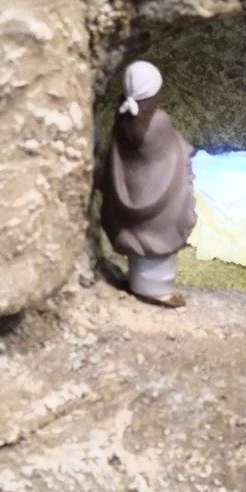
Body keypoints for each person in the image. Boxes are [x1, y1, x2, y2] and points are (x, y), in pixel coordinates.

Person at [98, 61, 197, 308]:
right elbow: (173, 149)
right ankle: (157, 291)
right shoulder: (158, 122)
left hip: (132, 188)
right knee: (159, 244)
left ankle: (140, 286)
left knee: (140, 247)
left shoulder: (123, 117)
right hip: (159, 196)